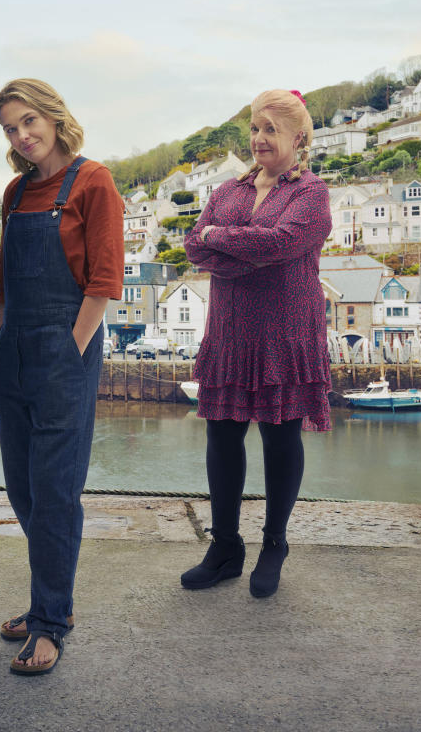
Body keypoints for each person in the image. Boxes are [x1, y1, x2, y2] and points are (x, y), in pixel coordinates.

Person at [0, 79, 124, 675]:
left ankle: (49, 623)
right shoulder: (16, 192)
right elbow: (1, 283)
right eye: (11, 129)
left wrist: (70, 350)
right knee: (21, 487)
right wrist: (0, 337)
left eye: (28, 121)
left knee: (55, 494)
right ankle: (50, 598)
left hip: (63, 350)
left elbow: (103, 283)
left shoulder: (93, 181)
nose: (22, 136)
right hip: (10, 349)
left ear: (52, 116)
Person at [182, 89, 332, 599]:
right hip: (229, 330)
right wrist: (242, 247)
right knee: (222, 438)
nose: (259, 139)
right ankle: (225, 547)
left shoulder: (311, 193)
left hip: (285, 331)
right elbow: (192, 243)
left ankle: (274, 544)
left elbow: (285, 243)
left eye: (271, 129)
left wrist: (222, 238)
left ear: (298, 137)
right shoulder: (227, 191)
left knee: (280, 438)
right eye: (254, 128)